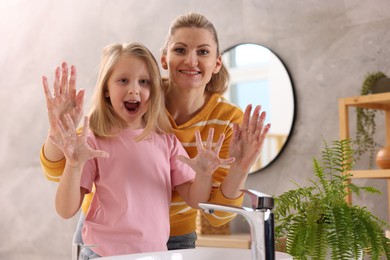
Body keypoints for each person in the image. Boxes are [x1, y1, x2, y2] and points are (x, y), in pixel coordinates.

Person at [40, 12, 271, 252]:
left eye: (202, 52)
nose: (191, 61)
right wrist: (60, 130)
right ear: (164, 59)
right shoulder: (101, 132)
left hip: (163, 244)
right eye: (180, 50)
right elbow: (60, 173)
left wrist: (220, 171)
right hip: (102, 248)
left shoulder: (177, 136)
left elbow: (207, 208)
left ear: (217, 63)